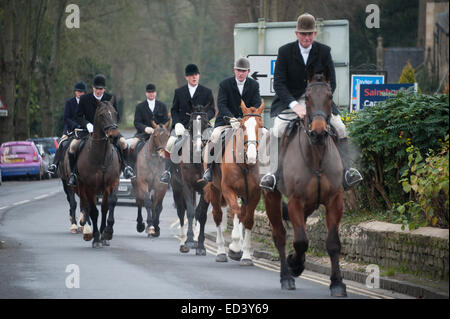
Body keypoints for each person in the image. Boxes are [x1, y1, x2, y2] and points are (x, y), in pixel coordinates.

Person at [259, 13, 362, 191]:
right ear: (296, 34)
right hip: (291, 103)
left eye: (309, 34)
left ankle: (347, 171)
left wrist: (319, 103)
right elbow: (279, 84)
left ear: (315, 34)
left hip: (318, 103)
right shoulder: (285, 52)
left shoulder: (324, 51)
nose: (306, 38)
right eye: (303, 34)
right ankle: (273, 174)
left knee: (340, 127)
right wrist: (295, 105)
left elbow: (333, 83)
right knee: (277, 129)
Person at [67, 74, 135, 186]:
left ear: (104, 89)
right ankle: (73, 173)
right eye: (96, 88)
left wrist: (111, 126)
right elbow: (78, 116)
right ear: (93, 88)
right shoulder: (85, 99)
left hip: (108, 129)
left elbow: (116, 116)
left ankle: (126, 167)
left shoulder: (110, 98)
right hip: (87, 130)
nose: (98, 91)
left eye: (101, 89)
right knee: (73, 146)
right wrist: (87, 124)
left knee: (123, 143)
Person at [202, 56, 261, 182]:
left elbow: (256, 104)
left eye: (243, 71)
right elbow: (222, 105)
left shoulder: (254, 85)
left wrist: (247, 118)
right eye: (238, 70)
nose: (240, 73)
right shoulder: (225, 84)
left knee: (265, 135)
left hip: (248, 122)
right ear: (234, 70)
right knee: (214, 137)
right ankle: (209, 169)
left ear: (248, 72)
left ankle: (266, 171)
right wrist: (232, 119)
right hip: (226, 122)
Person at [159, 64, 215, 184]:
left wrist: (205, 118)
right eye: (191, 75)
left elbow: (212, 110)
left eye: (196, 75)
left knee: (215, 143)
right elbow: (174, 110)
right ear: (186, 77)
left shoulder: (206, 92)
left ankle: (211, 170)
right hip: (183, 126)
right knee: (170, 143)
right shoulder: (179, 92)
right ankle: (167, 171)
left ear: (198, 76)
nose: (194, 77)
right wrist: (177, 123)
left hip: (202, 127)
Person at [47, 81, 86, 175]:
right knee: (62, 143)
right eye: (78, 91)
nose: (79, 93)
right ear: (75, 92)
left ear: (84, 92)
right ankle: (54, 165)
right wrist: (75, 125)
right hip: (71, 129)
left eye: (81, 92)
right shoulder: (69, 102)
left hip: (84, 129)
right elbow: (66, 118)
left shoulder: (87, 103)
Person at [129, 83, 169, 151]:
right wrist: (145, 128)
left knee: (171, 146)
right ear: (146, 93)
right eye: (149, 92)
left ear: (155, 93)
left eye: (152, 92)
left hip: (160, 134)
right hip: (143, 134)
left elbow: (166, 121)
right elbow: (137, 122)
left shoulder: (162, 106)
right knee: (132, 144)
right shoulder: (140, 107)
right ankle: (130, 162)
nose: (151, 94)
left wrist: (158, 128)